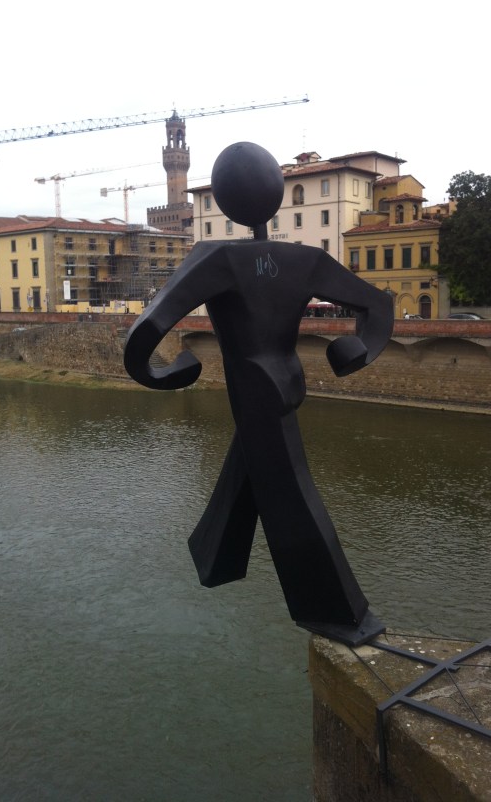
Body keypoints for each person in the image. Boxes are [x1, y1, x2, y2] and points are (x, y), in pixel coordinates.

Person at [124, 143, 393, 644]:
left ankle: (338, 611)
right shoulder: (304, 259)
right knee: (258, 467)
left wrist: (164, 373)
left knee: (294, 498)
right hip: (289, 381)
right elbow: (378, 306)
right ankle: (214, 553)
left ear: (226, 199)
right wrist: (355, 349)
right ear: (274, 194)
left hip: (252, 388)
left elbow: (146, 330)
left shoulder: (218, 258)